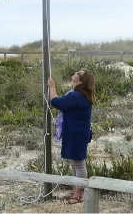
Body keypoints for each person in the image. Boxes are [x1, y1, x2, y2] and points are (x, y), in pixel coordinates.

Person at [48, 69, 95, 205]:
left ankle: (79, 194)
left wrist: (52, 87)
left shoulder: (77, 96)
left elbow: (57, 102)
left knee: (79, 164)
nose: (75, 73)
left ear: (81, 82)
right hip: (77, 132)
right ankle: (76, 190)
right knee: (75, 163)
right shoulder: (80, 95)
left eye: (78, 74)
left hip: (77, 134)